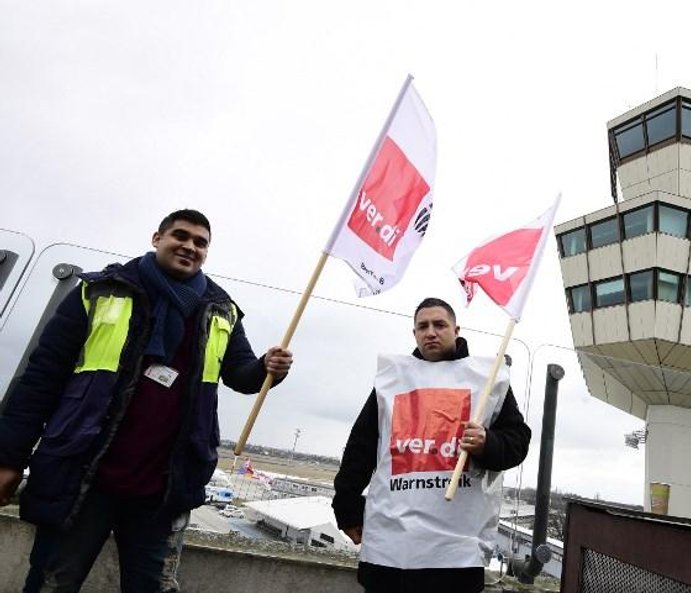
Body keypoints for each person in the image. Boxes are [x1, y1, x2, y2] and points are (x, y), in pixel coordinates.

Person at [0, 209, 293, 593]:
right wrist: (8, 458)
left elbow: (240, 374)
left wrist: (267, 368)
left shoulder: (221, 310)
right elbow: (40, 379)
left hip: (163, 488)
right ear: (157, 238)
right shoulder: (99, 291)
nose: (190, 246)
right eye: (181, 236)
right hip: (83, 476)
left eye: (200, 242)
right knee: (53, 583)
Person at [333, 297, 531, 593]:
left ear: (456, 330)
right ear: (414, 334)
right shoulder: (393, 380)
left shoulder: (487, 380)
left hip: (456, 551)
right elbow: (360, 448)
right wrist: (346, 505)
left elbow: (518, 441)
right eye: (422, 326)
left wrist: (488, 443)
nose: (431, 332)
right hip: (391, 544)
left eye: (440, 325)